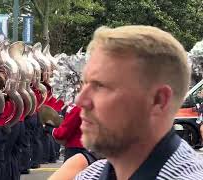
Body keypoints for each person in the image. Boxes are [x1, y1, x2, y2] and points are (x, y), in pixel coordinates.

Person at [74, 25, 203, 179]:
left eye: (100, 86)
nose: (80, 100)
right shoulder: (89, 175)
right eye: (85, 83)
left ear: (158, 100)